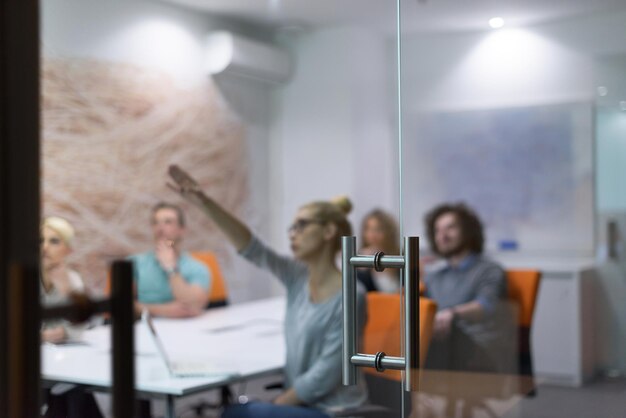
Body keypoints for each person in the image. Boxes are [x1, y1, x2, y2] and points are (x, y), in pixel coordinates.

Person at [168, 165, 368, 418]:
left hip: (335, 411)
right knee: (240, 411)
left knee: (240, 414)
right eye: (292, 228)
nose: (293, 235)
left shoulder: (350, 296)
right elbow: (253, 249)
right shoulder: (297, 277)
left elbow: (325, 375)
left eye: (302, 226)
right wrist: (205, 203)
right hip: (303, 404)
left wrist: (277, 403)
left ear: (328, 232)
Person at [422, 203, 516, 374]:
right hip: (443, 347)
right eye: (437, 230)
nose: (442, 235)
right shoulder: (434, 276)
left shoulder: (489, 270)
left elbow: (486, 305)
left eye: (450, 228)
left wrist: (452, 313)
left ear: (467, 231)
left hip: (481, 350)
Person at [40, 216, 103, 418]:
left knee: (75, 390)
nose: (45, 247)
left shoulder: (72, 279)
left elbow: (79, 327)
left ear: (68, 250)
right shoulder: (22, 276)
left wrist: (66, 290)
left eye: (54, 241)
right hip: (32, 361)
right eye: (41, 240)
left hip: (63, 358)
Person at [129, 202, 211, 318]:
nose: (160, 228)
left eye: (168, 222)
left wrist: (171, 267)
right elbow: (122, 305)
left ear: (182, 230)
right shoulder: (135, 263)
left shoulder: (197, 268)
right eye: (155, 222)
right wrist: (162, 310)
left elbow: (193, 306)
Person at [357, 209, 401, 293]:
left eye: (378, 229)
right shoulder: (359, 259)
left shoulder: (398, 257)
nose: (372, 234)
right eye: (368, 229)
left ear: (388, 232)